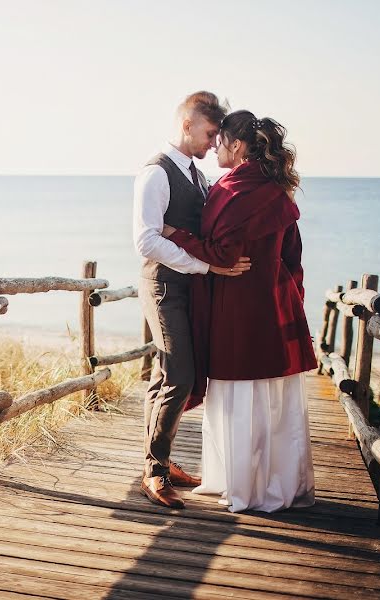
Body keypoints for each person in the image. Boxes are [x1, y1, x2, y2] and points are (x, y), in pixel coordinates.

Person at [161, 109, 318, 513]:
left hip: (240, 308)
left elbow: (225, 254)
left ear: (237, 144)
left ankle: (244, 486)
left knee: (242, 394)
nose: (214, 147)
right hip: (274, 303)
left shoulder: (235, 190)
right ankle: (276, 483)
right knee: (273, 399)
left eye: (220, 139)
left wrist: (177, 235)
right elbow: (293, 256)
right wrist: (292, 303)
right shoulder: (275, 187)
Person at [133, 91, 251, 509]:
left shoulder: (198, 176)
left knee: (166, 377)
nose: (213, 142)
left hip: (188, 289)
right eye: (209, 132)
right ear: (187, 125)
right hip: (165, 286)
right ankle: (156, 471)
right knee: (179, 376)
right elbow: (146, 241)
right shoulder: (155, 173)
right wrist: (207, 268)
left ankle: (158, 459)